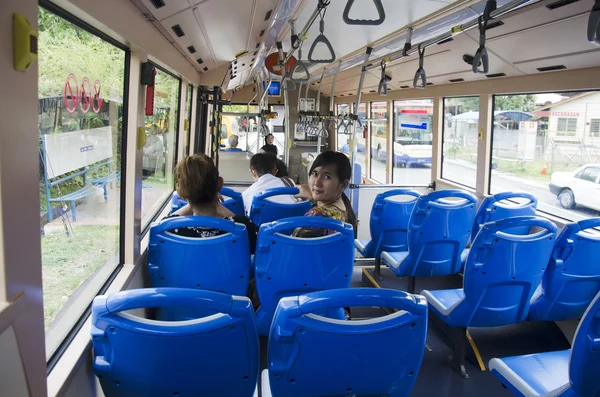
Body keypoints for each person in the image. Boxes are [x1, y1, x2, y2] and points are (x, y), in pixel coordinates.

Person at [168, 154, 257, 252]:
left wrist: (193, 200)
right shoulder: (243, 227)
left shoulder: (168, 230)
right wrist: (215, 202)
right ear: (219, 183)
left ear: (182, 191)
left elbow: (167, 220)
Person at [294, 151, 358, 238]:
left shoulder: (315, 217)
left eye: (327, 177)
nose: (317, 183)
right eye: (315, 174)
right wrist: (312, 197)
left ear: (343, 185)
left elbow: (291, 249)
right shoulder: (343, 209)